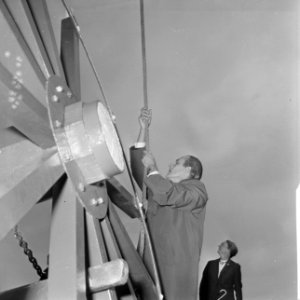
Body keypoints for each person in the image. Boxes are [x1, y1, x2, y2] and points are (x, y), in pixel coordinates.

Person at [130, 108, 209, 300]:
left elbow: (168, 193)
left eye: (176, 163)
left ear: (189, 169)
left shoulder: (196, 190)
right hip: (150, 265)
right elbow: (142, 175)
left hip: (172, 271)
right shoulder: (161, 188)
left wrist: (154, 169)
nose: (170, 165)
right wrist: (143, 129)